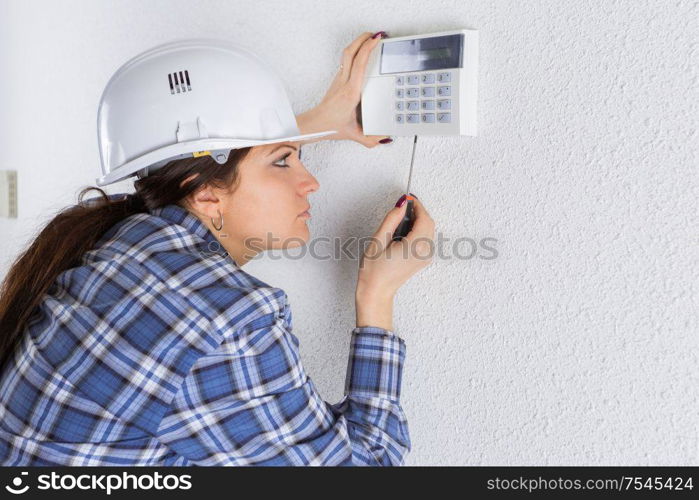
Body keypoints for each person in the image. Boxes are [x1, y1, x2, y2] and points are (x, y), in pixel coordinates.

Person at [0, 32, 435, 466]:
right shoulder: (231, 322)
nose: (311, 182)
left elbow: (204, 165)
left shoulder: (119, 239)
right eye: (285, 160)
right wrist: (375, 296)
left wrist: (314, 123)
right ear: (206, 195)